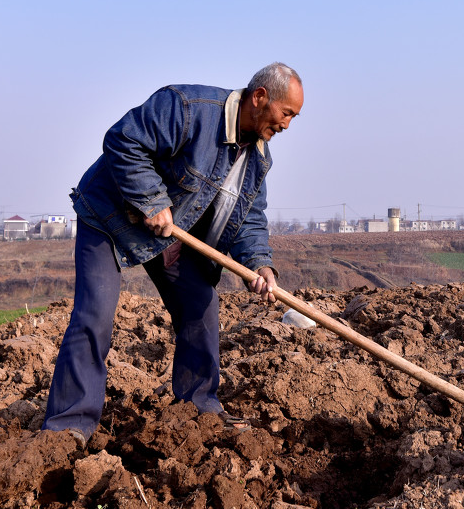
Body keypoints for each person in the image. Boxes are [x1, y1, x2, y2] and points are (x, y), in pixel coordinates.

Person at [42, 62, 304, 441]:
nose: (287, 126)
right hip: (110, 217)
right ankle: (69, 426)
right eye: (287, 114)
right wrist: (151, 199)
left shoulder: (258, 158)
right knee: (94, 314)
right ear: (260, 97)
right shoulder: (186, 107)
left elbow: (250, 216)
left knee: (201, 305)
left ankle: (199, 408)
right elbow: (123, 140)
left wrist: (260, 264)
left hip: (167, 235)